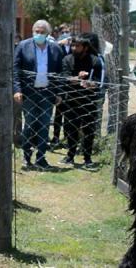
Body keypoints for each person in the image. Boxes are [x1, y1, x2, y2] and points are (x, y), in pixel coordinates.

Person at [13, 20, 64, 170]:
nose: (39, 34)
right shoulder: (23, 46)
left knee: (43, 125)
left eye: (42, 32)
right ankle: (26, 157)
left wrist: (59, 92)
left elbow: (60, 73)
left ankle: (41, 158)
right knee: (29, 125)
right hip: (29, 93)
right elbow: (15, 70)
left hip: (47, 93)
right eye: (36, 31)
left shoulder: (55, 49)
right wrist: (17, 89)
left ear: (48, 33)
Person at [60, 35, 103, 169]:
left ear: (85, 48)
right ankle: (70, 155)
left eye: (77, 46)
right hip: (71, 100)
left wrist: (90, 84)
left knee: (89, 130)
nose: (74, 48)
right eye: (73, 45)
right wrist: (78, 78)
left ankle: (87, 158)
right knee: (71, 129)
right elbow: (64, 78)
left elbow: (98, 81)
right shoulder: (67, 59)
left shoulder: (95, 61)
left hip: (88, 101)